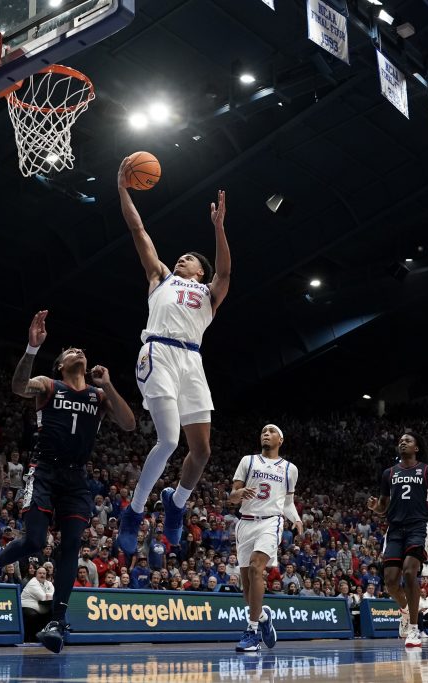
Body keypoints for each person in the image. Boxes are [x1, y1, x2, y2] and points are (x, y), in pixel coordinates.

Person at [0, 311, 135, 653]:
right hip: (43, 470)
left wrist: (108, 384)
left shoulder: (98, 398)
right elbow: (17, 387)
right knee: (35, 541)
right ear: (60, 364)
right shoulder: (49, 385)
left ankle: (57, 620)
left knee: (72, 544)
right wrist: (31, 348)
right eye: (71, 351)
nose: (79, 352)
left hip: (76, 478)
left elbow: (129, 424)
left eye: (81, 352)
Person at [116, 165, 231, 553]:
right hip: (159, 351)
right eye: (179, 258)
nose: (180, 260)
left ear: (201, 272)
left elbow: (227, 271)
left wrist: (218, 226)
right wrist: (122, 188)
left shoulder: (210, 294)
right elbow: (139, 231)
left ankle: (175, 503)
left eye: (188, 260)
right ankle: (133, 511)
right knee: (168, 439)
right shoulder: (161, 277)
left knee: (201, 451)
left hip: (192, 362)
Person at [368, 432, 428, 648]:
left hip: (417, 527)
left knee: (409, 572)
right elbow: (383, 507)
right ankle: (404, 609)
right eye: (400, 440)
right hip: (394, 529)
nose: (402, 442)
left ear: (417, 448)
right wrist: (375, 507)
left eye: (408, 440)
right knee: (391, 581)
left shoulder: (426, 471)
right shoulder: (389, 473)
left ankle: (414, 629)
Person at [227, 424, 301, 652]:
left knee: (256, 568)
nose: (266, 434)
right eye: (263, 431)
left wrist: (296, 519)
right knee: (246, 587)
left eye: (271, 431)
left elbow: (287, 503)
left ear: (281, 439)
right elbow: (232, 497)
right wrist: (237, 495)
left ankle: (251, 631)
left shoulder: (290, 469)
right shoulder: (248, 461)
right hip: (245, 521)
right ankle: (262, 617)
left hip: (271, 520)